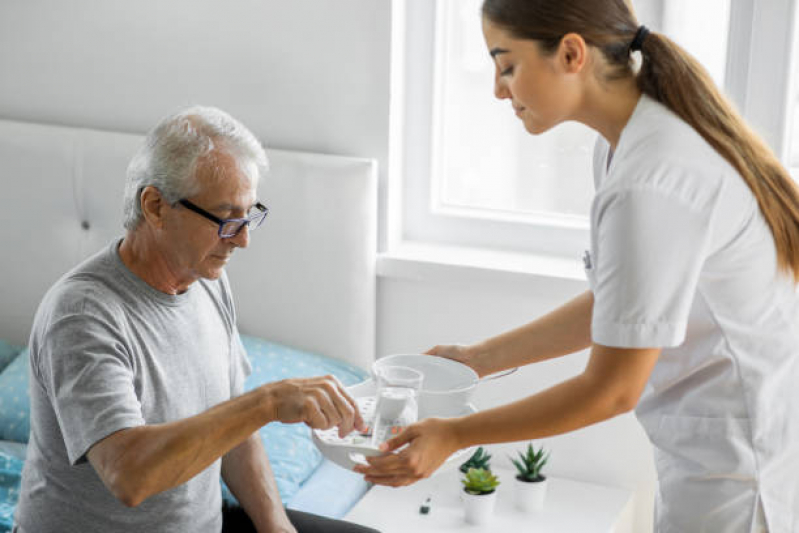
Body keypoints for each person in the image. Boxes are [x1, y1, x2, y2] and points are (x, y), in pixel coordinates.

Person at [356, 1, 799, 531]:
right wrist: (475, 360)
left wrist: (454, 434)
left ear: (571, 53)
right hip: (710, 458)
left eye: (507, 65)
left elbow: (611, 390)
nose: (499, 90)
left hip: (743, 479)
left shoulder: (651, 177)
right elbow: (624, 306)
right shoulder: (625, 147)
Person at [14, 106, 378, 533]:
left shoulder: (205, 277)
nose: (241, 239)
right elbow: (129, 475)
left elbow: (234, 429)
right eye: (225, 218)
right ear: (155, 207)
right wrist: (267, 403)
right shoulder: (82, 314)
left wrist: (277, 528)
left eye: (248, 215)